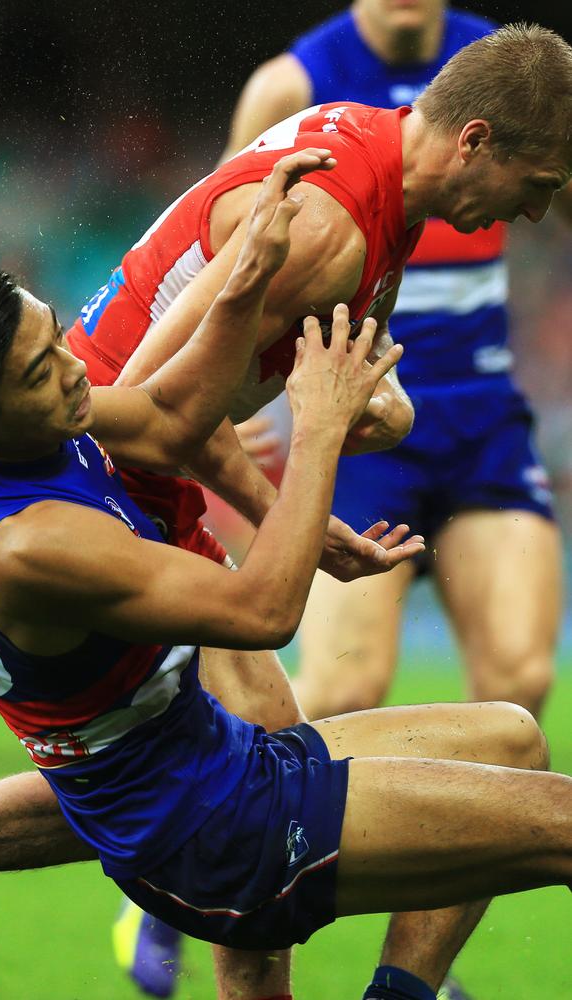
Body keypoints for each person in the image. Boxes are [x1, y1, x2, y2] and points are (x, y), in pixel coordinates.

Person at [0, 22, 572, 1000]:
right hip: (140, 571)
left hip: (153, 634)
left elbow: (171, 400)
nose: (532, 217)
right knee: (192, 784)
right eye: (540, 186)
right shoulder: (51, 524)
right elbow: (162, 424)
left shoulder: (356, 153)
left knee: (478, 735)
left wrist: (324, 408)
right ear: (476, 139)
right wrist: (309, 447)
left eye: (58, 339)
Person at [218, 3, 571, 997]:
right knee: (334, 693)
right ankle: (198, 868)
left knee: (516, 677)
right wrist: (216, 406)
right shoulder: (295, 83)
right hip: (364, 413)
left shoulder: (513, 75)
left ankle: (408, 978)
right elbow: (225, 250)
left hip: (481, 411)